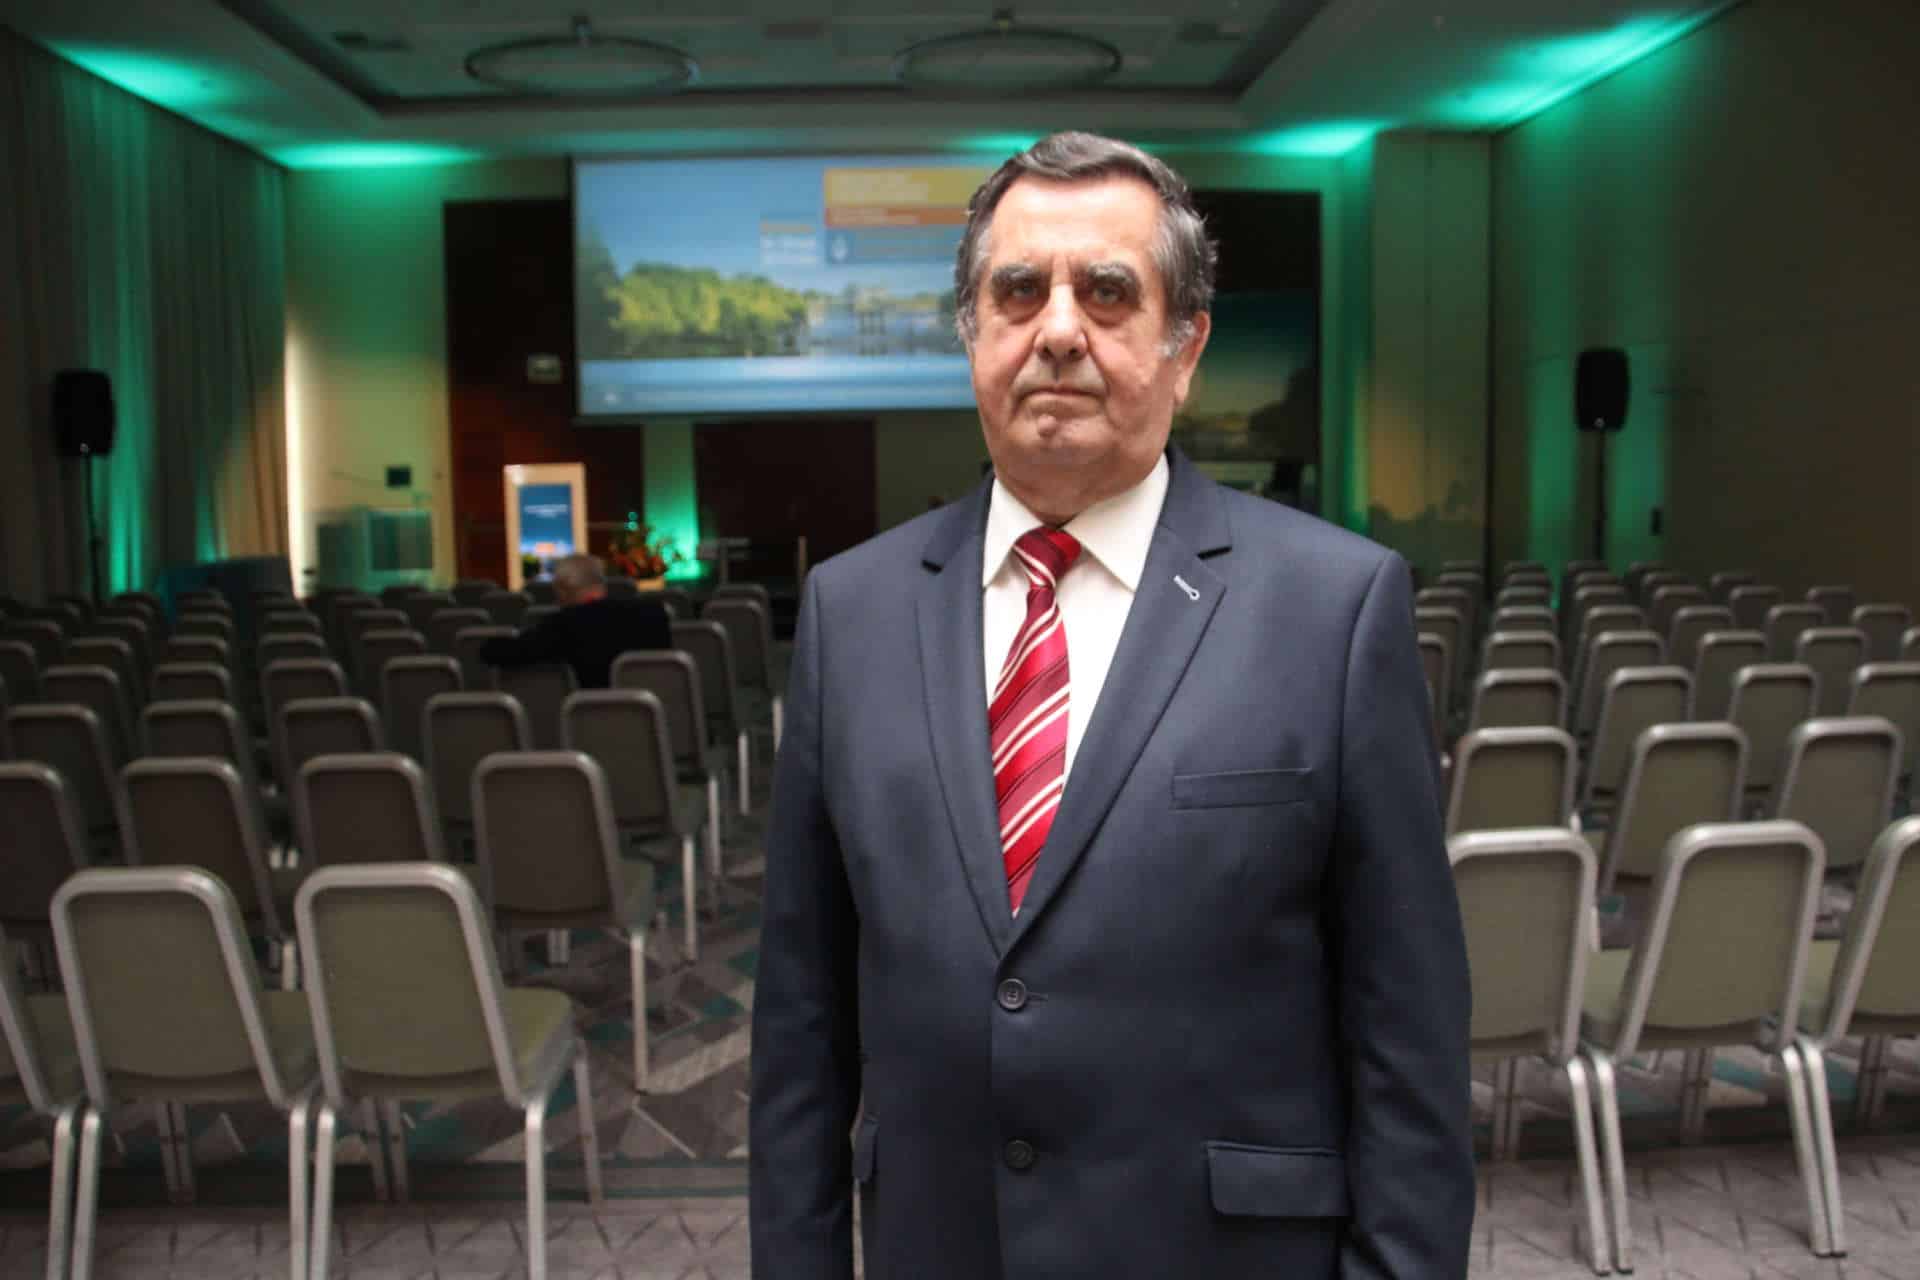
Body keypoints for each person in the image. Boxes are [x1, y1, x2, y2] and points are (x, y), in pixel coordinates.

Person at [749, 132, 1472, 1279]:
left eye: (1107, 292)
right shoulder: (851, 611)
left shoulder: (1336, 608)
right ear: (972, 335)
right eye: (1018, 290)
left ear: (1186, 350)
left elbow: (1408, 1040)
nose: (1058, 330)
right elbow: (801, 1028)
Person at [477, 553, 671, 689]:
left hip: (589, 721)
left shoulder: (563, 625)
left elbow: (498, 652)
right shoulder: (652, 614)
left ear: (562, 592)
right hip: (654, 721)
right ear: (601, 583)